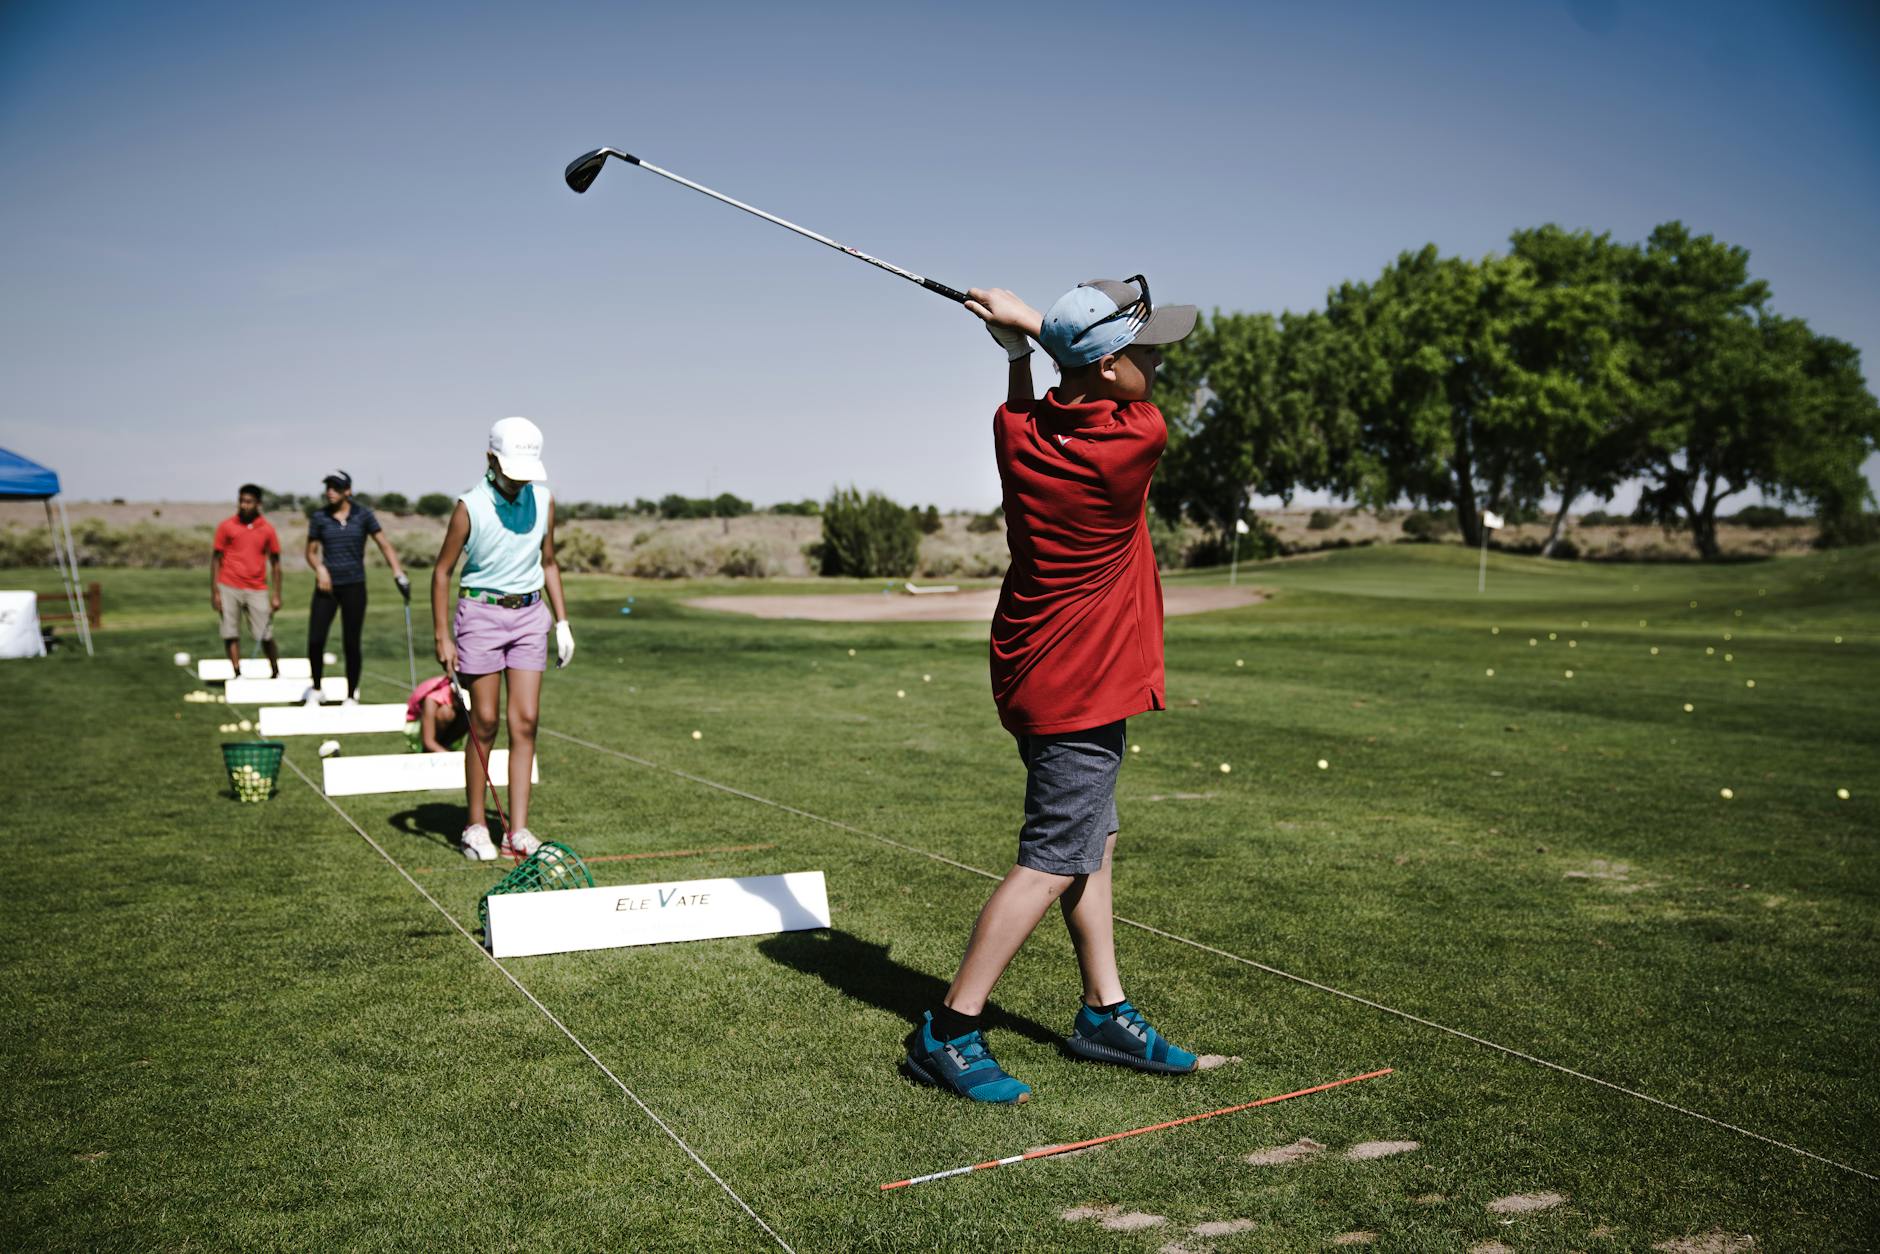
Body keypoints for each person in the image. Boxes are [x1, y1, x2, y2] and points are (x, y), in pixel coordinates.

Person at [901, 277, 1201, 1103]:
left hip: (1038, 670)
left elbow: (1029, 405)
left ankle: (1104, 1009)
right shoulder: (1134, 441)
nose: (1153, 364)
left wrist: (1016, 357)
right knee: (1050, 859)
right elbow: (1090, 382)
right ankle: (950, 1027)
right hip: (1083, 683)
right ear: (1105, 370)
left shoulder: (1018, 431)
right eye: (1141, 353)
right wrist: (1026, 328)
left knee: (1090, 842)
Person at [431, 417, 573, 861]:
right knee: (486, 722)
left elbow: (548, 562)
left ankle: (519, 830)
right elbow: (441, 572)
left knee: (526, 720)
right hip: (481, 616)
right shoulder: (469, 506)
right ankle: (476, 825)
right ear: (491, 459)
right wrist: (442, 636)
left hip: (531, 616)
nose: (519, 481)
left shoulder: (544, 500)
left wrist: (563, 622)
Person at [302, 470, 409, 705]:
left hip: (354, 586)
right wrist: (320, 569)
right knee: (315, 640)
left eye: (336, 487)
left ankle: (351, 695)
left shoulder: (363, 515)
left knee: (351, 642)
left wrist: (398, 573)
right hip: (326, 587)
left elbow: (384, 545)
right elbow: (310, 553)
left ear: (347, 491)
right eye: (328, 487)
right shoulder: (319, 517)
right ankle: (317, 688)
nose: (330, 491)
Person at [211, 483, 283, 678]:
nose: (244, 505)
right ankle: (237, 672)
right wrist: (215, 592)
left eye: (248, 502)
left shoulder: (267, 529)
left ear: (258, 503)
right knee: (230, 632)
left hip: (257, 587)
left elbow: (276, 563)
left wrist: (276, 595)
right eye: (241, 501)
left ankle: (275, 671)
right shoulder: (227, 526)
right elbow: (216, 559)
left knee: (265, 634)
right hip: (228, 585)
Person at [404, 673, 469, 753]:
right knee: (447, 713)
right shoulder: (432, 699)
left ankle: (443, 747)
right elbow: (428, 742)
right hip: (420, 735)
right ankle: (432, 751)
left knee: (469, 716)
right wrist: (449, 758)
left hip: (444, 736)